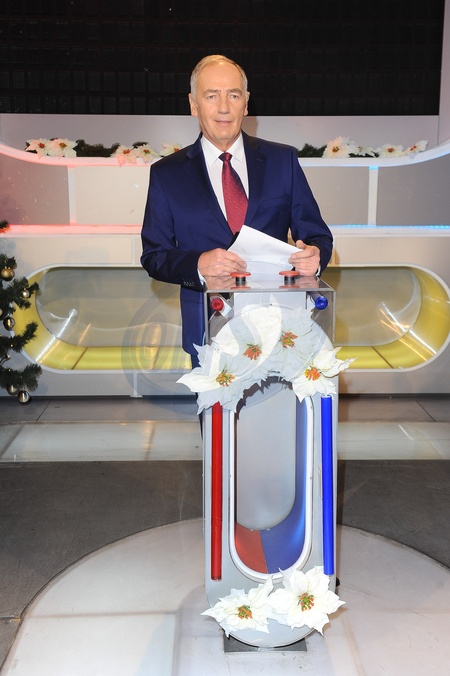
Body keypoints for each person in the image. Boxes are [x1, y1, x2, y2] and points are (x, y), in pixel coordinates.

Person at [141, 54, 333, 360]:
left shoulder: (282, 161)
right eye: (211, 96)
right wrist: (198, 264)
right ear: (193, 104)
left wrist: (315, 256)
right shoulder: (167, 174)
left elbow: (317, 236)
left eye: (233, 95)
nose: (223, 107)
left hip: (281, 326)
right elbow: (154, 256)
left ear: (246, 103)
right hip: (207, 329)